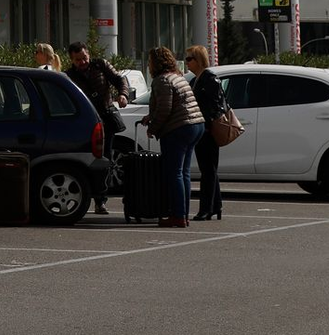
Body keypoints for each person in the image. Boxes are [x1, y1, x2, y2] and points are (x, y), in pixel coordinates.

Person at [142, 45, 205, 228]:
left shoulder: (161, 80)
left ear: (155, 63)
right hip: (196, 125)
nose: (148, 65)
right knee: (183, 173)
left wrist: (153, 128)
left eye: (150, 61)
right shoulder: (178, 77)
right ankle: (182, 213)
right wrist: (150, 117)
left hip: (179, 129)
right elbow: (173, 104)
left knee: (174, 173)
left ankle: (177, 215)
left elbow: (165, 109)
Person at [66, 41, 129, 214]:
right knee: (86, 161)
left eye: (84, 58)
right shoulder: (69, 75)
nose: (83, 62)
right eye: (78, 60)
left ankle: (100, 200)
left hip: (106, 120)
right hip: (86, 123)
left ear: (88, 54)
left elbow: (119, 79)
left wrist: (123, 94)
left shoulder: (100, 65)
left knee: (105, 159)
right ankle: (87, 196)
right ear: (72, 60)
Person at [186, 45, 224, 221]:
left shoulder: (210, 79)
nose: (187, 62)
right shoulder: (195, 80)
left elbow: (216, 105)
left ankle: (206, 208)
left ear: (198, 60)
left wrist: (206, 123)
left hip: (208, 130)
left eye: (189, 59)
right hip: (200, 129)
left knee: (208, 170)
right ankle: (216, 206)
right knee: (208, 169)